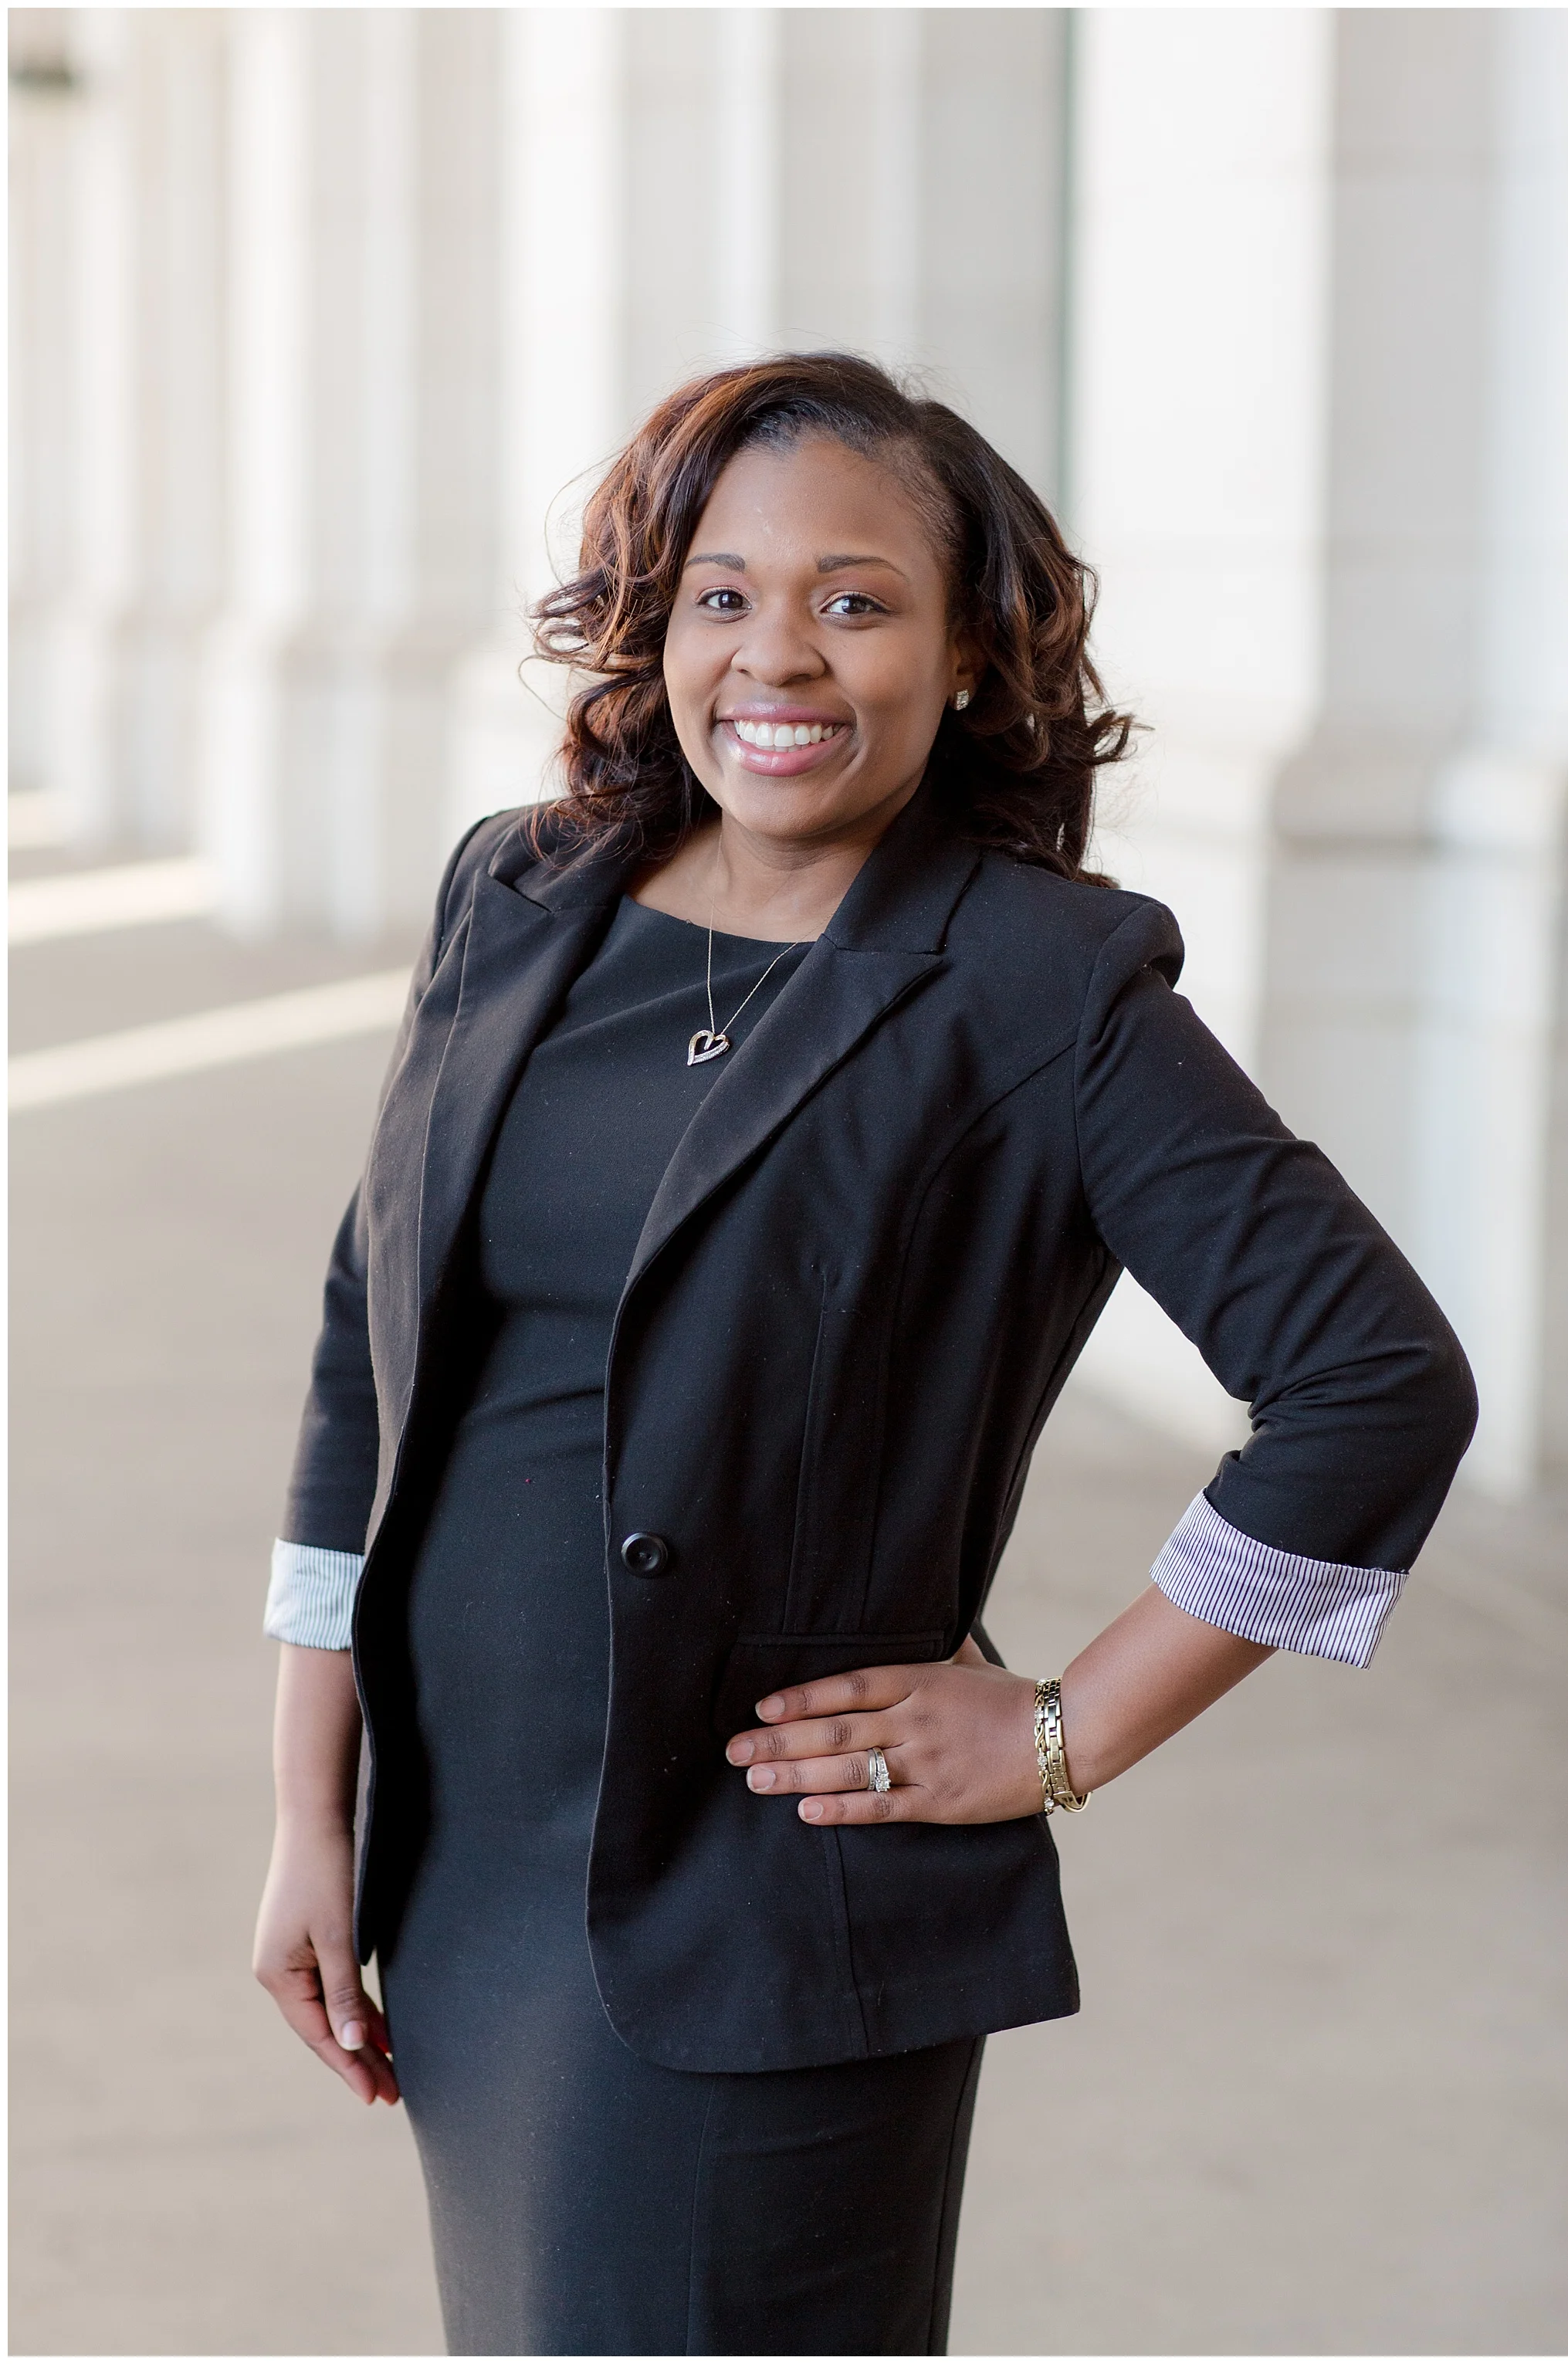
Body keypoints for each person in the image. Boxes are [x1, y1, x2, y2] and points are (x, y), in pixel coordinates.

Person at [252, 353, 1477, 2357]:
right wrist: (315, 1810)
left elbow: (1372, 1378)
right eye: (723, 591)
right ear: (657, 627)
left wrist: (1062, 1728)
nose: (777, 654)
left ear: (973, 649)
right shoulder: (521, 889)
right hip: (464, 1880)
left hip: (748, 1921)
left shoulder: (1038, 981)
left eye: (856, 594)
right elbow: (361, 1345)